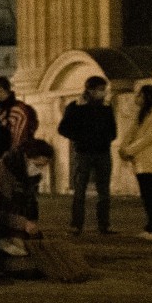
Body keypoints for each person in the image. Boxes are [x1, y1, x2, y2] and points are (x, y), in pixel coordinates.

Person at [0, 139, 54, 272]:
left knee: (40, 255)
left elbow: (29, 206)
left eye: (43, 166)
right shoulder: (0, 171)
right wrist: (21, 224)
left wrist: (29, 225)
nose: (40, 169)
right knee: (25, 267)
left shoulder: (28, 177)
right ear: (26, 156)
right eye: (38, 164)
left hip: (10, 227)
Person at [58, 75, 118, 235]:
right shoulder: (76, 106)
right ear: (90, 90)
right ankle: (76, 225)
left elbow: (113, 130)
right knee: (79, 190)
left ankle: (104, 225)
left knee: (104, 190)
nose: (103, 93)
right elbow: (63, 128)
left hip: (103, 152)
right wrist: (80, 137)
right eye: (100, 90)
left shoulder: (106, 107)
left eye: (104, 90)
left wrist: (106, 138)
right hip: (83, 153)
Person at [119, 84, 152, 241]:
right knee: (147, 195)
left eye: (139, 95)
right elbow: (132, 133)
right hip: (141, 160)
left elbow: (149, 138)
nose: (136, 98)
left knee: (151, 194)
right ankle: (150, 226)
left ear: (147, 97)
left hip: (151, 159)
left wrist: (129, 150)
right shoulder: (145, 114)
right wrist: (124, 148)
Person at [0, 76, 38, 160]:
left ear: (0, 90)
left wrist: (10, 157)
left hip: (12, 158)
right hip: (1, 157)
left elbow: (19, 138)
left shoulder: (18, 110)